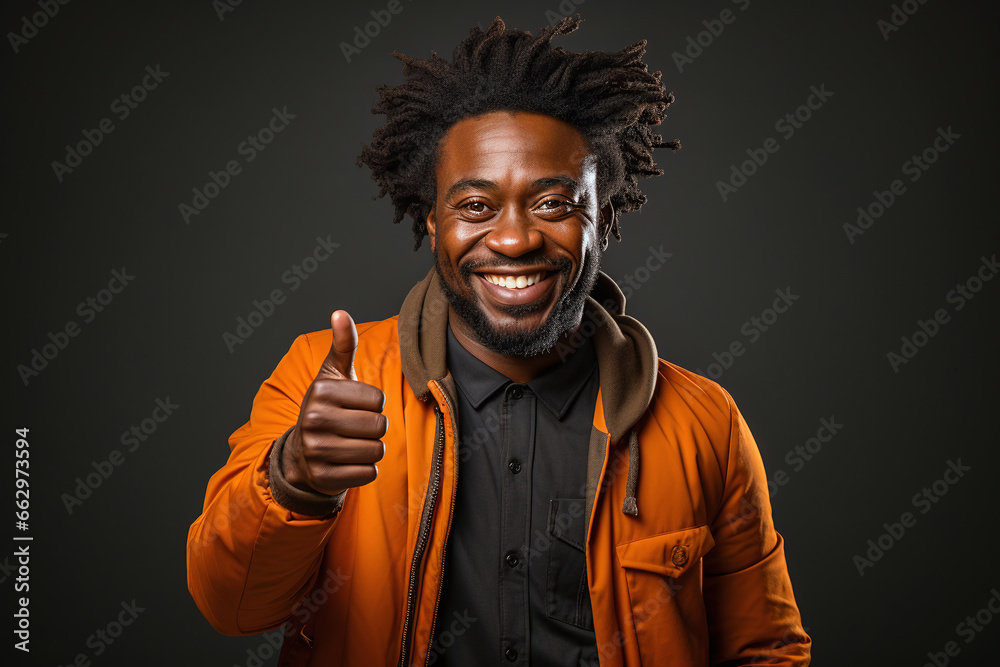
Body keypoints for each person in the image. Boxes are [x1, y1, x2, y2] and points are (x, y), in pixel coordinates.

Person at [187, 15, 811, 666]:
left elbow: (765, 650)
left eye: (553, 203)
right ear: (433, 221)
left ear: (606, 217)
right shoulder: (325, 382)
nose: (514, 240)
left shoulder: (705, 423)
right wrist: (294, 480)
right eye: (476, 206)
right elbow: (231, 606)